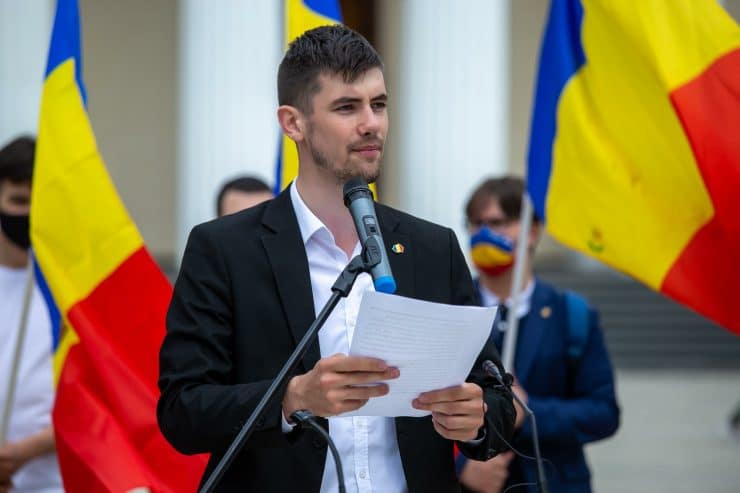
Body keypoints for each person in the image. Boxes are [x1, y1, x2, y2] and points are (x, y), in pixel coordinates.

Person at [157, 25, 516, 492]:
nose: (371, 123)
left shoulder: (433, 248)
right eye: (347, 107)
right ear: (293, 123)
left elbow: (494, 395)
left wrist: (477, 417)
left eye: (379, 104)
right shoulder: (224, 249)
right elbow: (182, 412)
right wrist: (292, 398)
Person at [457, 176, 620, 493]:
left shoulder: (571, 314)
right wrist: (462, 466)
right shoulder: (452, 310)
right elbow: (416, 412)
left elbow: (603, 413)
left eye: (497, 223)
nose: (484, 234)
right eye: (476, 224)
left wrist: (528, 412)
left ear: (531, 231)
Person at [0, 136, 63, 493]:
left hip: (56, 482)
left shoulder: (72, 292)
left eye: (38, 201)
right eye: (18, 201)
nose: (28, 214)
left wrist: (25, 452)